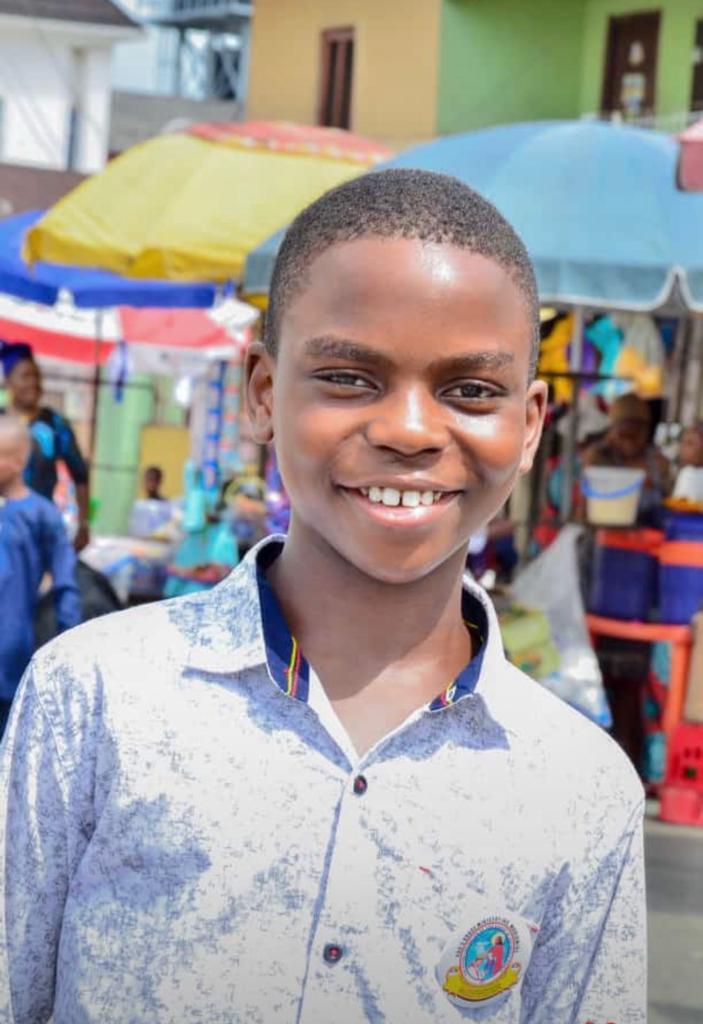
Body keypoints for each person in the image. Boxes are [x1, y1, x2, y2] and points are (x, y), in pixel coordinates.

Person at [0, 171, 645, 1023]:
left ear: (528, 426)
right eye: (348, 377)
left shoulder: (579, 787)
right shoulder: (94, 698)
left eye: (470, 390)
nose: (409, 431)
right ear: (263, 394)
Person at [0, 416, 81, 737]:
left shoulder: (41, 515)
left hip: (9, 649)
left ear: (20, 460)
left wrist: (70, 641)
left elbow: (65, 581)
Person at [0, 341, 91, 550]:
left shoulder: (54, 425)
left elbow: (80, 475)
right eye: (25, 376)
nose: (33, 382)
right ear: (8, 381)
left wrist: (83, 525)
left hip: (39, 531)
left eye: (36, 375)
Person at [582, 390, 671, 525]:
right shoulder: (597, 457)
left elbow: (669, 502)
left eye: (635, 435)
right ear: (611, 432)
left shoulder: (658, 462)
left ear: (646, 432)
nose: (629, 443)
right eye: (623, 435)